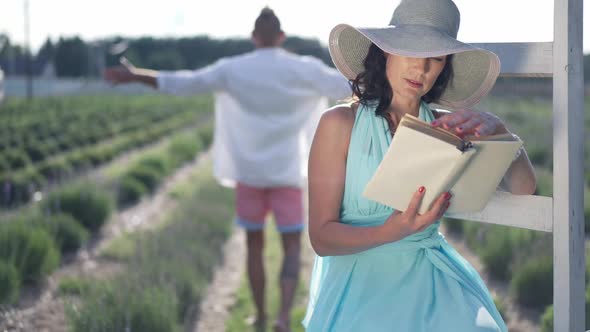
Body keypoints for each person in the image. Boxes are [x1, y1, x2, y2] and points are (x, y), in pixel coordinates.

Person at [104, 7, 351, 332]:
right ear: (281, 37)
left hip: (249, 173)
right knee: (292, 247)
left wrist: (136, 75)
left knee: (254, 245)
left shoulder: (233, 69)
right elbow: (348, 85)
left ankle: (261, 315)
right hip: (287, 174)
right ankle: (282, 319)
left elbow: (185, 82)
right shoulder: (303, 69)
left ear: (253, 38)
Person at [303, 0, 536, 331]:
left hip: (431, 275)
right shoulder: (339, 123)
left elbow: (524, 188)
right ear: (385, 51)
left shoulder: (450, 129)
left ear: (445, 66)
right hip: (362, 283)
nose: (421, 69)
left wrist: (501, 132)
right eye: (411, 51)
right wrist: (392, 230)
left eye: (436, 58)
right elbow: (321, 238)